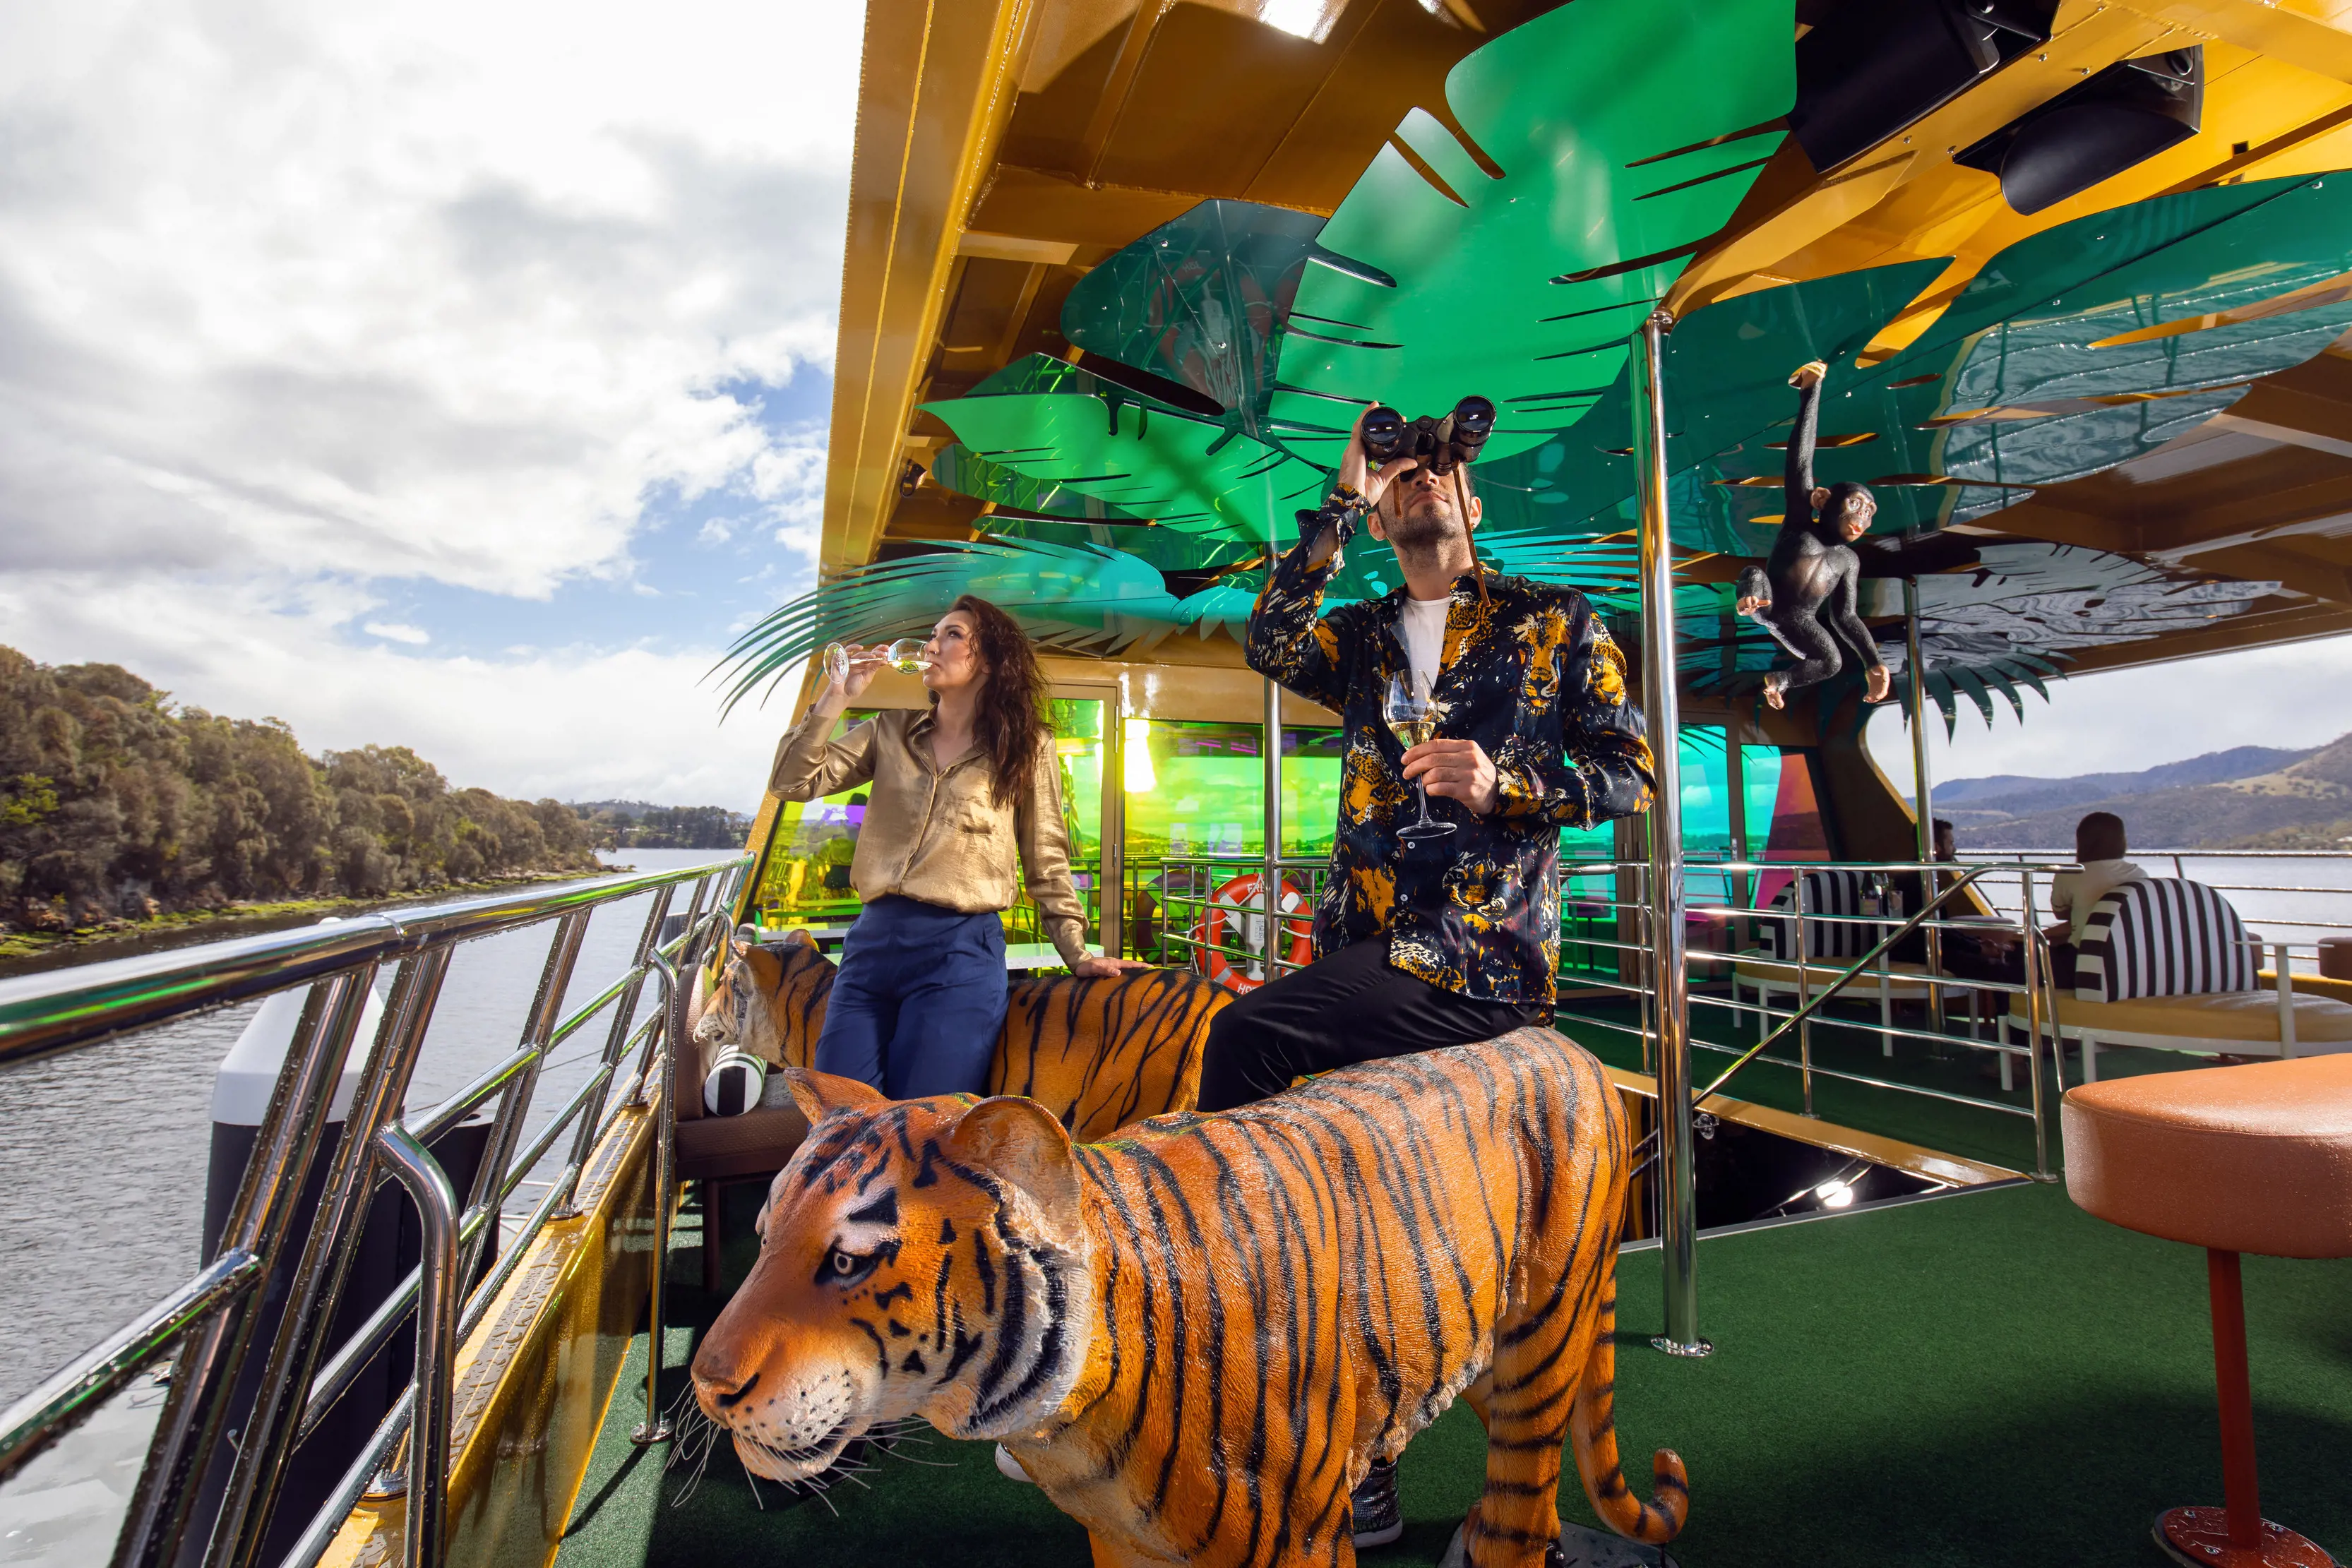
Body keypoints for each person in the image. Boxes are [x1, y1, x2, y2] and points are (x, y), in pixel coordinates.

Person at [1212, 407, 1656, 1546]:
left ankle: (1240, 1337)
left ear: (1473, 500)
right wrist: (1339, 498)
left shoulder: (1554, 621)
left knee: (1243, 1041)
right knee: (1344, 1172)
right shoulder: (1357, 631)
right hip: (1366, 944)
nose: (1417, 481)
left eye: (1435, 470)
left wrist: (1504, 776)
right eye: (1399, 473)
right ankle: (1358, 1444)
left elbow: (1631, 774)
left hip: (1475, 957)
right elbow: (1266, 641)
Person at [768, 595, 1142, 1099]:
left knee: (927, 1120)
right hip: (872, 945)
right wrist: (836, 697)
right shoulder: (888, 731)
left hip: (959, 952)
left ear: (988, 658)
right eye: (933, 633)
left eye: (951, 634)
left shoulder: (1028, 746)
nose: (931, 645)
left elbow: (1046, 855)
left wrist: (1075, 951)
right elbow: (792, 783)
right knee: (838, 1111)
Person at [1733, 361, 1892, 711]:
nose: (1861, 518)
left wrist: (1873, 663)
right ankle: (1747, 601)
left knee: (1832, 663)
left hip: (1800, 622)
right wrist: (1811, 391)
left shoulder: (1849, 560)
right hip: (1767, 599)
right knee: (1754, 574)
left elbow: (1845, 617)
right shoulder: (1802, 522)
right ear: (1823, 501)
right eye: (1855, 505)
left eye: (1869, 512)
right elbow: (1800, 462)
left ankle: (1780, 682)